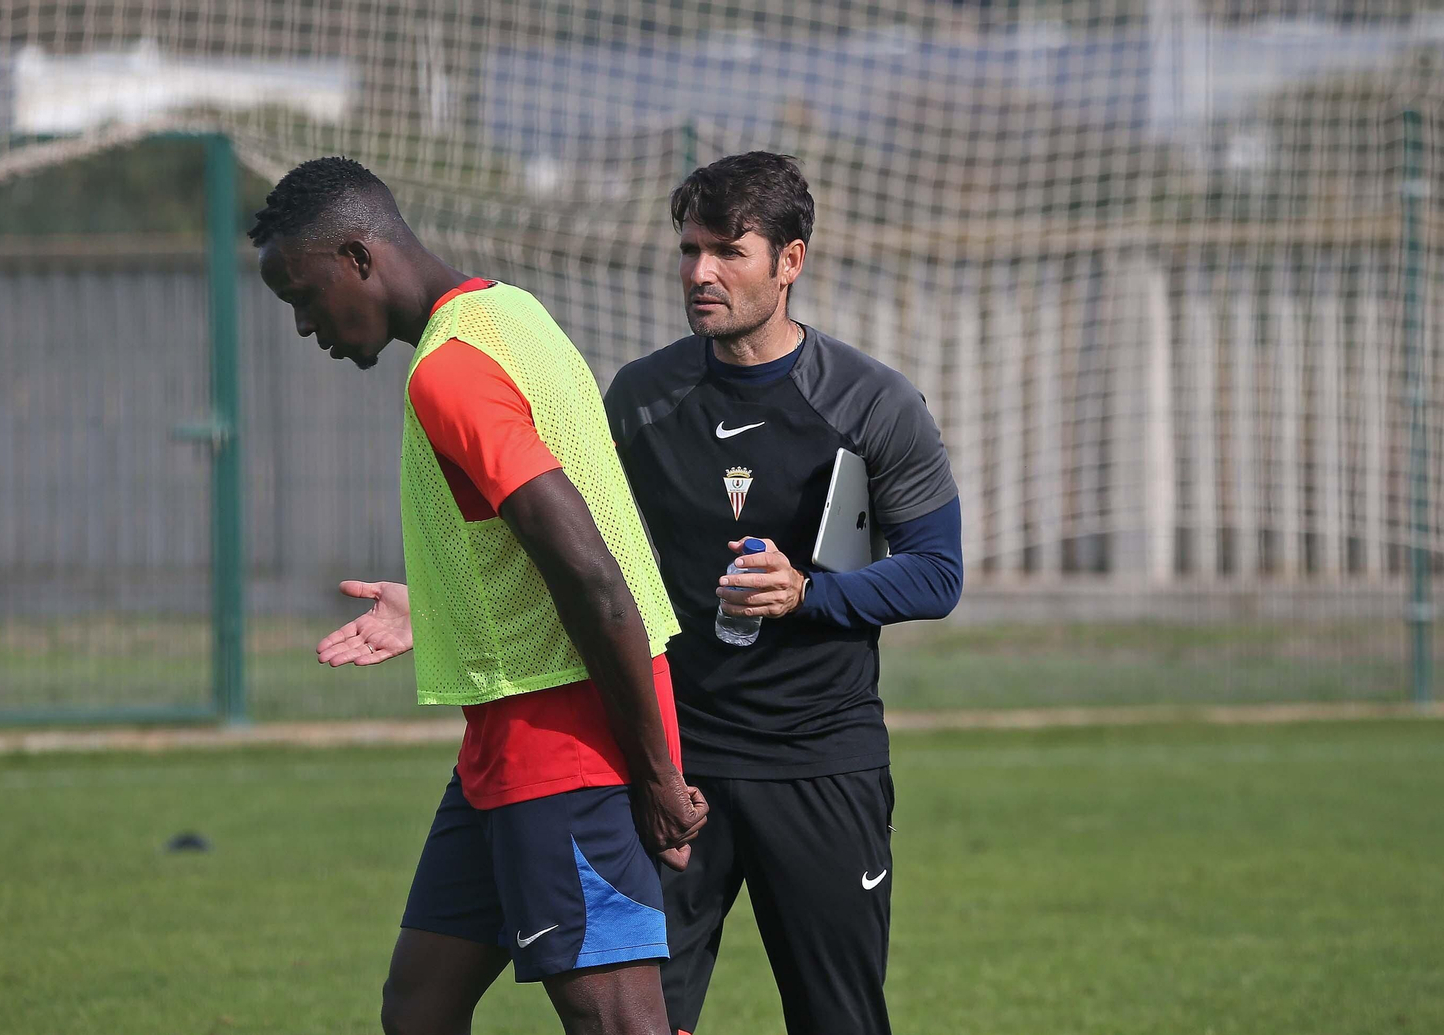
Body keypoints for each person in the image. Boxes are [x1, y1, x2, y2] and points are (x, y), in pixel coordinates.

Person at [249, 156, 708, 1035]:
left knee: (621, 1024)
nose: (305, 325)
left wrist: (655, 774)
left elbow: (590, 571)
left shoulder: (450, 371)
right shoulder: (509, 311)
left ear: (357, 255)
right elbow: (525, 551)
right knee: (419, 1005)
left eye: (303, 296)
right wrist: (437, 605)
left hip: (567, 740)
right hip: (504, 738)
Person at [604, 151, 964, 1035]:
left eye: (728, 251)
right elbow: (583, 561)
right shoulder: (641, 399)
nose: (700, 273)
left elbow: (937, 572)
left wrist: (809, 593)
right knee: (631, 1022)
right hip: (673, 765)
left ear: (790, 262)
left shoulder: (872, 402)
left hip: (820, 760)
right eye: (689, 250)